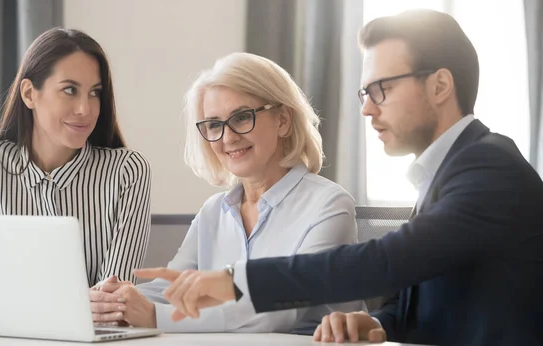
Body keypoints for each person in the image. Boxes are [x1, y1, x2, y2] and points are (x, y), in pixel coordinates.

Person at [134, 10, 543, 346]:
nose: (367, 110)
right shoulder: (443, 176)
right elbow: (408, 304)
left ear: (439, 85)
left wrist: (232, 282)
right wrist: (378, 325)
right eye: (365, 93)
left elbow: (386, 262)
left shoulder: (489, 169)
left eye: (380, 89)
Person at [88, 52, 365, 333]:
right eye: (214, 125)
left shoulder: (329, 205)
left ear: (282, 120)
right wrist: (114, 301)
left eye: (242, 117)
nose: (228, 137)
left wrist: (154, 316)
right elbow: (172, 288)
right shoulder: (213, 211)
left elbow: (278, 312)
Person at [0, 28, 152, 286]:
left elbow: (114, 298)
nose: (85, 109)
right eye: (70, 90)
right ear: (30, 94)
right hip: (7, 328)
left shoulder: (127, 171)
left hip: (99, 329)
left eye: (95, 92)